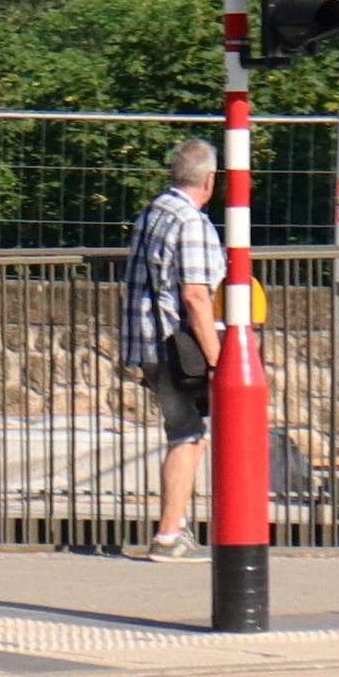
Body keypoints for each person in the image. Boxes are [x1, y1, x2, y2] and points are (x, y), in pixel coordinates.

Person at [122, 139, 224, 563]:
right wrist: (218, 361)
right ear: (210, 179)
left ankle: (174, 528)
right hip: (173, 345)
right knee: (188, 433)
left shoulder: (154, 212)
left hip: (143, 341)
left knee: (184, 431)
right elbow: (197, 298)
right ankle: (168, 535)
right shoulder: (192, 223)